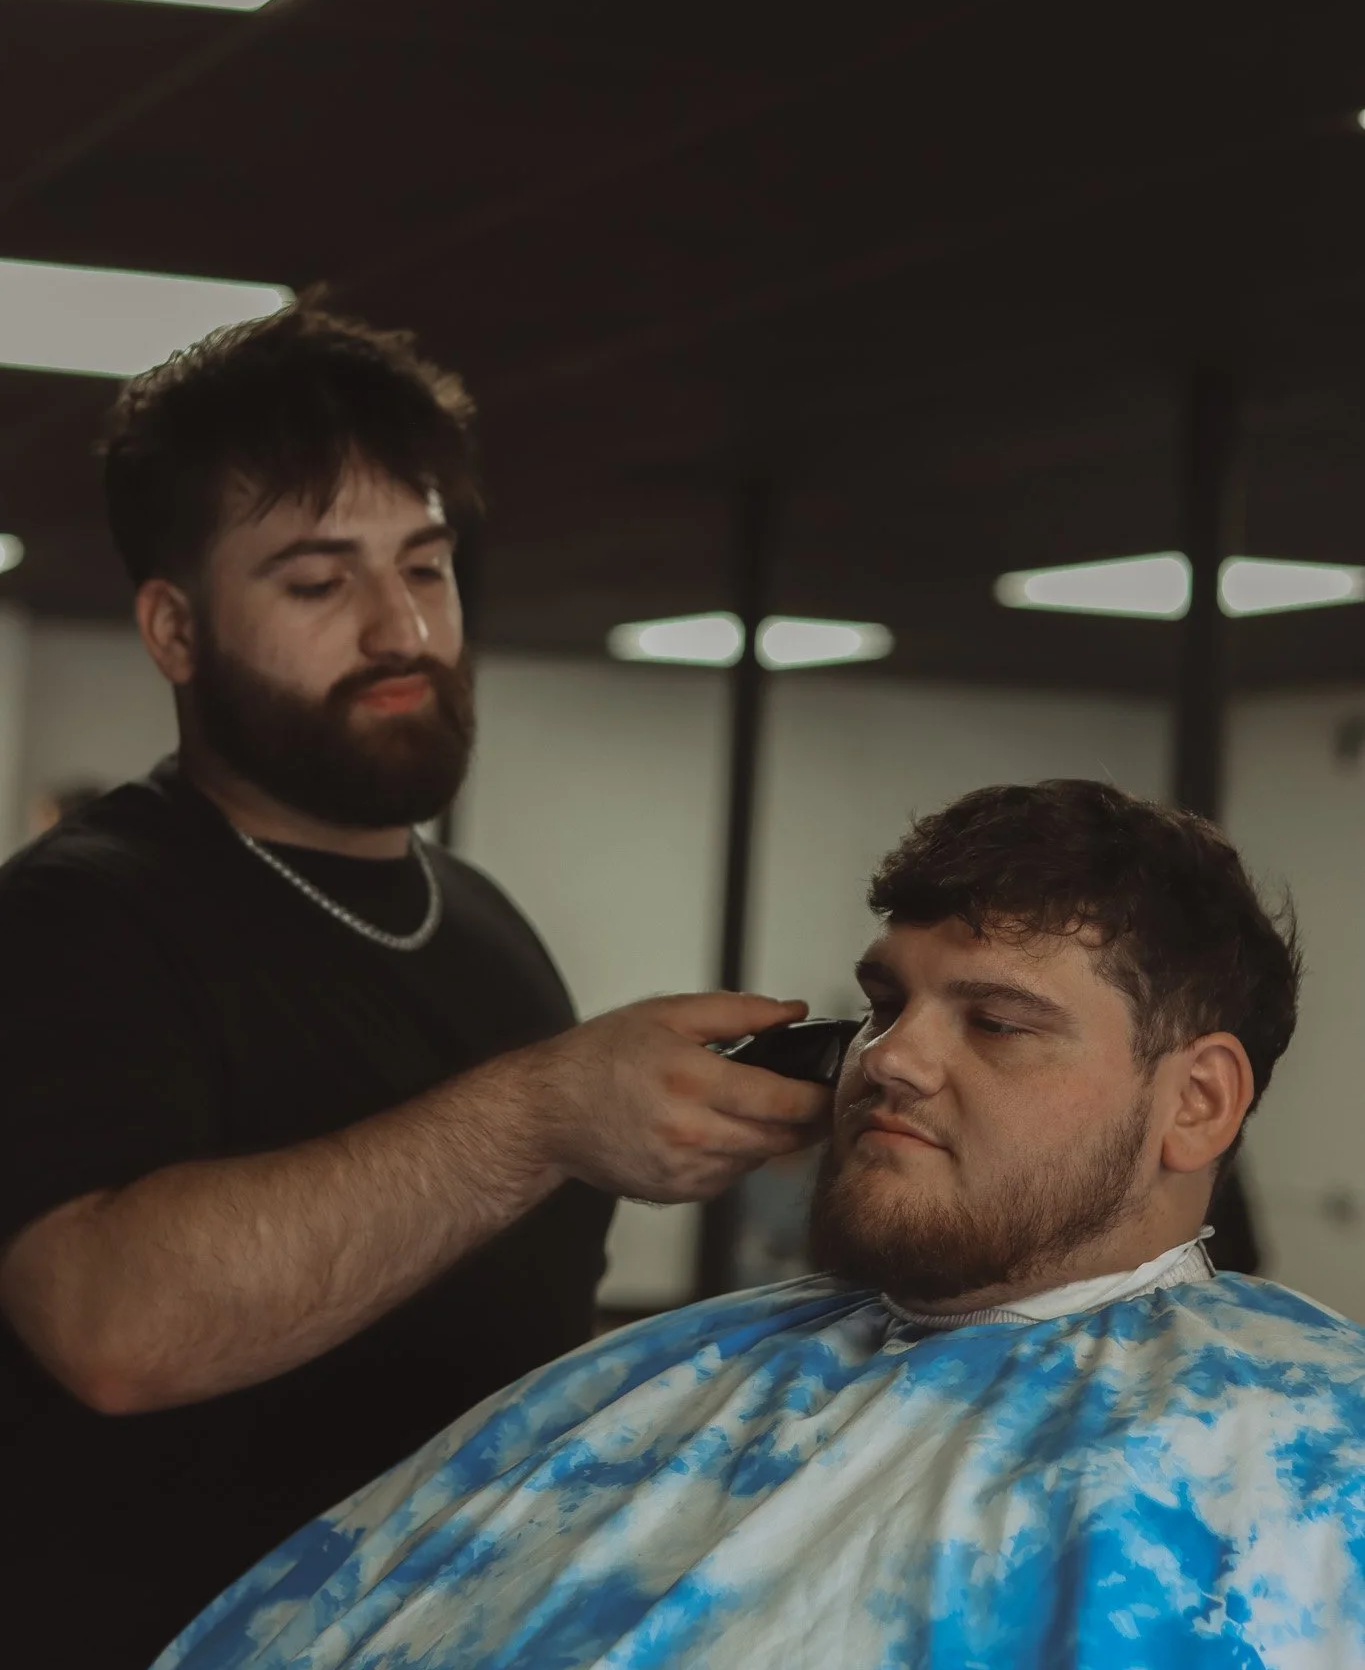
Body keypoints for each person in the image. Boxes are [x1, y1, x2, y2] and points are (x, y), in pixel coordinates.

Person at [0, 305, 828, 1670]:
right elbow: (110, 1326)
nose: (403, 629)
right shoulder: (75, 918)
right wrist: (541, 1114)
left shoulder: (487, 927)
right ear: (175, 628)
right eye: (319, 586)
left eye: (427, 569)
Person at [157, 780, 1365, 1670]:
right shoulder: (654, 1377)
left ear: (1195, 1099)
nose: (888, 1058)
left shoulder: (1309, 1459)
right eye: (885, 1002)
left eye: (995, 1020)